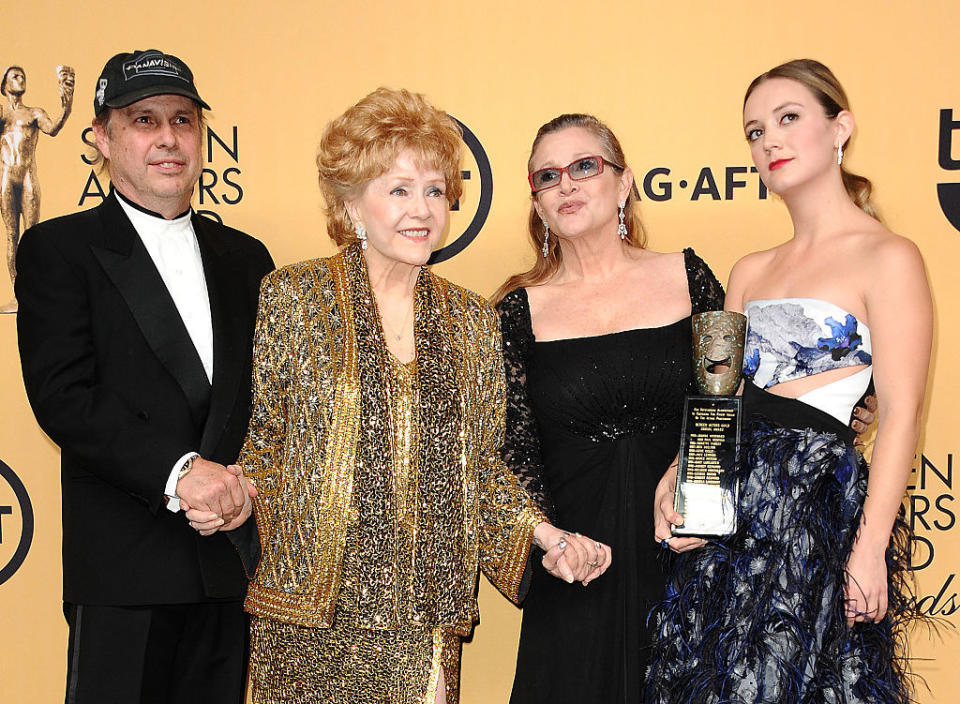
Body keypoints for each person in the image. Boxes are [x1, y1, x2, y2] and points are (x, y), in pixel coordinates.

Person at [197, 87, 609, 704]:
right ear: (351, 204)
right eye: (398, 189)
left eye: (435, 190)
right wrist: (234, 498)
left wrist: (544, 537)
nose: (422, 209)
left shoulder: (471, 320)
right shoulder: (295, 297)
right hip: (310, 617)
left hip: (422, 619)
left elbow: (481, 469)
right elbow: (269, 442)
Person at [648, 59, 930, 703]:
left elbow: (903, 415)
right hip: (731, 520)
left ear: (841, 128)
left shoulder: (890, 257)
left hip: (810, 511)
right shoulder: (749, 270)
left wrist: (868, 552)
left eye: (788, 118)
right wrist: (680, 480)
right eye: (754, 131)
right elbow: (721, 406)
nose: (768, 140)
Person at [16, 49, 273, 703]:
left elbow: (271, 405)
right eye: (143, 119)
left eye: (182, 120)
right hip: (123, 576)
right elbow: (64, 397)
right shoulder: (57, 250)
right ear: (101, 137)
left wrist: (248, 491)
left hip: (229, 570)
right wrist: (182, 472)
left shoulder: (247, 259)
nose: (167, 137)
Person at [492, 113, 725, 703]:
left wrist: (698, 497)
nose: (566, 184)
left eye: (584, 167)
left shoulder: (689, 278)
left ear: (623, 184)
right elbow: (504, 457)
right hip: (577, 571)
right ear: (538, 204)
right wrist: (546, 543)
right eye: (548, 176)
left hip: (687, 555)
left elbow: (725, 407)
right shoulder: (517, 313)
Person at [0, 63, 74, 313]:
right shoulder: (2, 115)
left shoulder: (33, 113)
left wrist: (67, 104)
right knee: (12, 235)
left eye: (23, 75)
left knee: (33, 236)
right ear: (5, 84)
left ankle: (35, 292)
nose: (20, 79)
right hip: (6, 177)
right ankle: (18, 294)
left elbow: (53, 129)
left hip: (28, 176)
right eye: (14, 76)